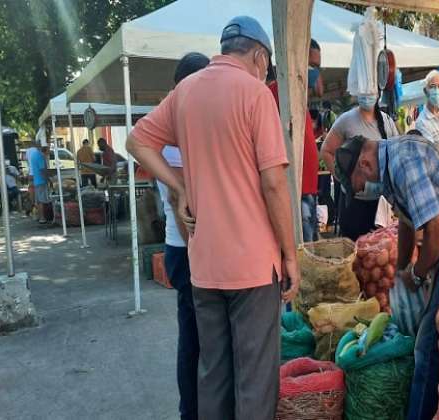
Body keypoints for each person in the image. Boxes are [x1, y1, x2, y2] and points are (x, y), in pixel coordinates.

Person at [126, 16, 300, 420]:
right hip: (254, 268)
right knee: (254, 383)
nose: (265, 72)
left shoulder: (186, 91)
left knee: (214, 374)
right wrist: (290, 256)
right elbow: (274, 184)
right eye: (267, 65)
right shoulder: (256, 95)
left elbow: (137, 140)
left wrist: (180, 185)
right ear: (259, 55)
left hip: (203, 264)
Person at [333, 134, 439, 420]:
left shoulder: (403, 163)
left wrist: (417, 272)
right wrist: (401, 272)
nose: (362, 192)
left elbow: (436, 228)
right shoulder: (390, 168)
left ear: (364, 163)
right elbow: (408, 225)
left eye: (359, 186)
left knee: (428, 340)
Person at [154, 51, 210, 420]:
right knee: (194, 342)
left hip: (195, 249)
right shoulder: (173, 130)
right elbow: (178, 199)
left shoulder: (184, 125)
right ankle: (191, 412)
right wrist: (200, 253)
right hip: (187, 249)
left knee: (204, 340)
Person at [321, 91, 398, 240]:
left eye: (371, 91)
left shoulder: (387, 122)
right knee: (353, 250)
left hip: (380, 205)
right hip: (354, 204)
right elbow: (326, 151)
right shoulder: (346, 120)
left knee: (377, 252)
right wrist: (343, 179)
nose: (367, 94)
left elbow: (394, 156)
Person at [268, 39, 321, 242]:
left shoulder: (300, 96)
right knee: (301, 254)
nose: (315, 71)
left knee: (309, 251)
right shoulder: (274, 94)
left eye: (317, 66)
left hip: (308, 189)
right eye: (312, 65)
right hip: (293, 193)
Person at [415, 70, 439, 146]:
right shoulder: (421, 122)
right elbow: (433, 151)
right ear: (425, 91)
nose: (436, 90)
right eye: (432, 86)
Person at [28, 144, 51, 224]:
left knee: (38, 201)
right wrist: (48, 180)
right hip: (41, 181)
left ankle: (38, 216)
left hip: (36, 181)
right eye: (49, 149)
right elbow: (43, 170)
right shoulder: (40, 157)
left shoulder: (34, 154)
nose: (49, 151)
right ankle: (42, 218)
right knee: (41, 201)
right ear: (45, 149)